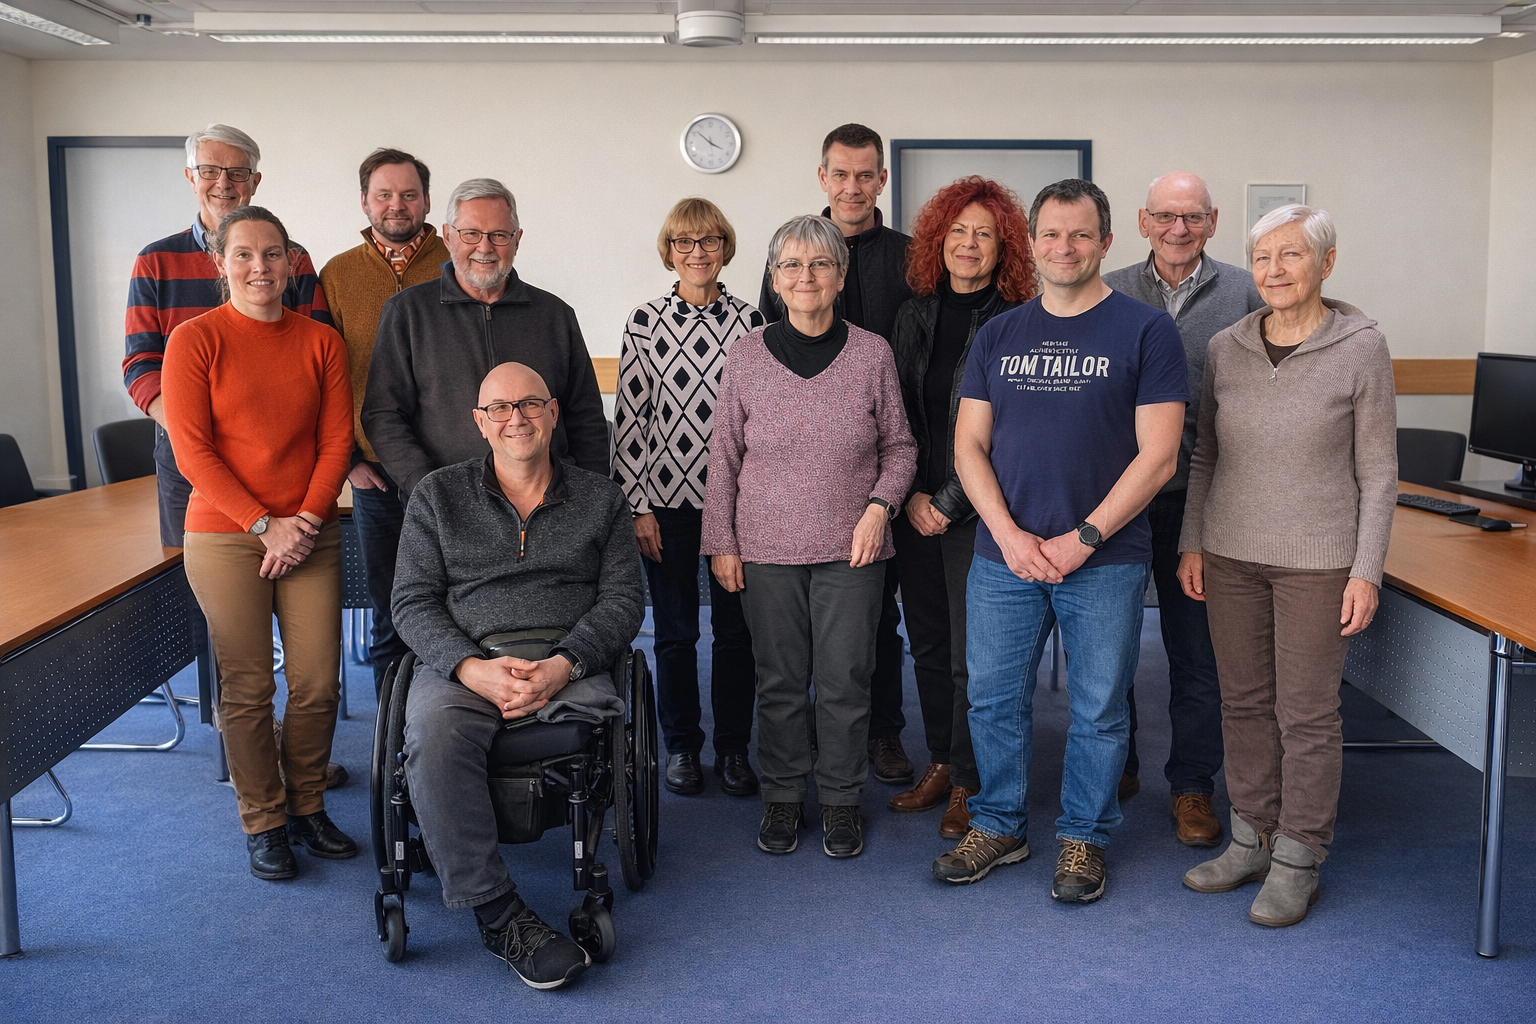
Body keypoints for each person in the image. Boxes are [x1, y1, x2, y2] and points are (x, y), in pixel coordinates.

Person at [932, 179, 1187, 903]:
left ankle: (1083, 837)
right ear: (1033, 242)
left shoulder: (1146, 331)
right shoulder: (1000, 334)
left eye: (1080, 234)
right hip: (1003, 558)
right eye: (1050, 234)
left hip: (1103, 560)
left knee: (1100, 707)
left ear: (1107, 241)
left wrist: (1084, 538)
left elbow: (1159, 457)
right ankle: (1001, 823)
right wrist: (1009, 536)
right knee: (991, 700)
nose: (1064, 248)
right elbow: (969, 448)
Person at [392, 361, 643, 990]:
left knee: (594, 718)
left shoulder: (600, 498)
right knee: (433, 737)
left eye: (530, 404)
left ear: (554, 413)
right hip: (467, 661)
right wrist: (471, 669)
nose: (517, 418)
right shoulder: (437, 496)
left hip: (568, 660)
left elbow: (622, 602)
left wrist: (561, 667)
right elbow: (412, 602)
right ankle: (500, 914)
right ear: (480, 422)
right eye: (500, 408)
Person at [1178, 205, 1396, 928]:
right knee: (1241, 704)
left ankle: (1299, 857)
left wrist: (1366, 569)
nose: (1274, 270)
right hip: (1232, 553)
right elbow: (1205, 453)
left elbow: (1380, 472)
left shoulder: (1361, 346)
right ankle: (1251, 838)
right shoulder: (1225, 347)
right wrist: (1191, 541)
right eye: (1262, 257)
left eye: (1291, 255)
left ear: (1326, 264)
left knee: (1305, 715)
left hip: (1318, 561)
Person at [704, 215, 916, 860]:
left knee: (849, 677)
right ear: (774, 278)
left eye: (819, 265)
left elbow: (900, 448)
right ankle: (783, 795)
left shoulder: (872, 353)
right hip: (765, 549)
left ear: (841, 277)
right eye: (791, 266)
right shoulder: (746, 354)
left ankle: (843, 798)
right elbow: (725, 459)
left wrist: (880, 508)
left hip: (853, 549)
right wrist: (723, 542)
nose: (806, 277)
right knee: (779, 680)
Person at [161, 206, 355, 882]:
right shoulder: (194, 340)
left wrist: (301, 520)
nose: (260, 267)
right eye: (244, 254)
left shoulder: (320, 341)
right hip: (224, 535)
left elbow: (336, 443)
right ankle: (264, 820)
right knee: (246, 688)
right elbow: (193, 451)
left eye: (273, 254)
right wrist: (260, 523)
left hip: (310, 531)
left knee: (317, 684)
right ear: (220, 263)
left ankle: (306, 805)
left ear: (290, 261)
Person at [1103, 172, 1265, 847]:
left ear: (1213, 220)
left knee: (1195, 654)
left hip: (1200, 499)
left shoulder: (1246, 292)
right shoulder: (1107, 289)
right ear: (1143, 222)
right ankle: (1120, 765)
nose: (1179, 229)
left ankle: (1193, 786)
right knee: (1107, 651)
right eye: (1166, 216)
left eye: (1192, 217)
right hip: (1114, 502)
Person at [757, 123, 917, 786]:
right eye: (841, 174)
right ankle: (802, 753)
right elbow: (773, 354)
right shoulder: (794, 251)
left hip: (893, 461)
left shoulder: (912, 258)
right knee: (791, 644)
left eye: (866, 175)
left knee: (877, 619)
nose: (853, 186)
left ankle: (879, 733)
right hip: (803, 480)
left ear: (882, 180)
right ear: (823, 177)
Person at [886, 177, 1035, 841]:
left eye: (984, 233)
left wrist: (947, 502)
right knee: (929, 644)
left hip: (983, 513)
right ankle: (943, 761)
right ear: (937, 239)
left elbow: (1015, 430)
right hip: (914, 507)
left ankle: (975, 783)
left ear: (1004, 246)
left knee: (975, 659)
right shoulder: (913, 314)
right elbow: (899, 418)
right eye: (958, 231)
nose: (968, 244)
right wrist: (912, 496)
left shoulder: (1017, 322)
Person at [613, 198, 763, 798]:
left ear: (725, 248)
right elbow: (630, 419)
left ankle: (731, 750)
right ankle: (680, 747)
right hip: (667, 504)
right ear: (669, 251)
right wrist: (638, 504)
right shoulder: (645, 321)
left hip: (738, 504)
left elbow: (762, 416)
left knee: (736, 634)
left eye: (707, 241)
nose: (696, 253)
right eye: (684, 243)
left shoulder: (754, 323)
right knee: (675, 632)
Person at [124, 123, 330, 548]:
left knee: (292, 571)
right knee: (196, 593)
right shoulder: (154, 262)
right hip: (189, 464)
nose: (224, 183)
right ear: (190, 177)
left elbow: (322, 354)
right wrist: (192, 432)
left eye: (238, 173)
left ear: (254, 182)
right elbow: (140, 364)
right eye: (211, 170)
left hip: (282, 463)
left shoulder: (292, 260)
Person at [362, 178, 608, 498]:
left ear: (517, 240)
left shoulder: (555, 315)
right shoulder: (407, 313)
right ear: (448, 236)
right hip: (446, 504)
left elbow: (585, 416)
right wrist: (425, 485)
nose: (485, 247)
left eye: (499, 235)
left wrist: (588, 495)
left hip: (549, 503)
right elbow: (383, 415)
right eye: (471, 234)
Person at [318, 148, 451, 694]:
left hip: (452, 471)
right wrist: (349, 461)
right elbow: (321, 377)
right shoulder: (337, 274)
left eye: (409, 194)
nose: (397, 205)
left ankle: (454, 731)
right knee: (390, 611)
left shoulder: (460, 262)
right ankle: (394, 746)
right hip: (375, 475)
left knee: (454, 605)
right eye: (384, 194)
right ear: (365, 201)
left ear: (426, 199)